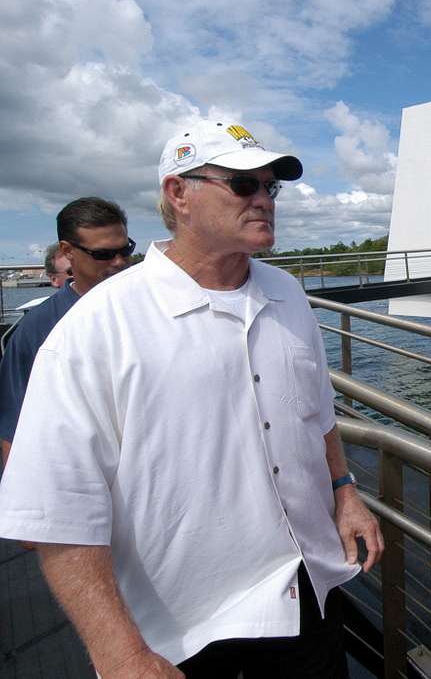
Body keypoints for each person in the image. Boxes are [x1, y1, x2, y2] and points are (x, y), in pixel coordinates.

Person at [0, 119, 383, 677]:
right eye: (242, 184)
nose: (263, 199)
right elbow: (59, 509)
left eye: (269, 186)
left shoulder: (289, 294)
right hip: (187, 627)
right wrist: (121, 653)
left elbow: (315, 411)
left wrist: (344, 489)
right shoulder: (100, 326)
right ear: (178, 194)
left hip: (310, 588)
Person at [0, 197, 131, 468]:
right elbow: (13, 429)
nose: (119, 262)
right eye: (103, 254)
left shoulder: (154, 308)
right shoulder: (37, 329)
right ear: (68, 250)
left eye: (125, 250)